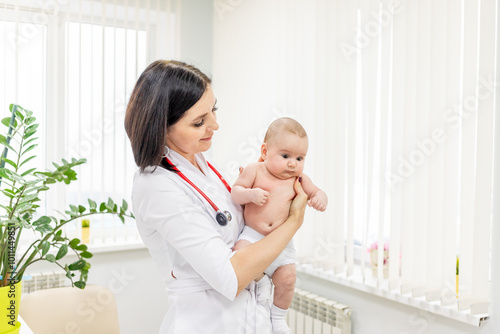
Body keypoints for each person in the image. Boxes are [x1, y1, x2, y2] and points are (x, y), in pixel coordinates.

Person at [124, 60, 308, 334]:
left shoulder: (209, 169)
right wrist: (294, 221)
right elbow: (231, 277)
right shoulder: (156, 186)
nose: (215, 125)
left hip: (252, 319)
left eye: (213, 110)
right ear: (162, 126)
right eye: (199, 122)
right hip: (208, 323)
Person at [231, 117, 328, 334]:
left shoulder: (300, 179)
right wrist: (250, 194)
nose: (293, 163)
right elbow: (235, 192)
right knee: (239, 256)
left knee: (288, 278)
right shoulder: (254, 170)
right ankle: (261, 280)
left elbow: (317, 192)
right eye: (285, 156)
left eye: (300, 158)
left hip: (283, 242)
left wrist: (321, 198)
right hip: (254, 235)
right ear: (265, 152)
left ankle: (278, 318)